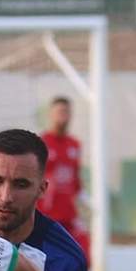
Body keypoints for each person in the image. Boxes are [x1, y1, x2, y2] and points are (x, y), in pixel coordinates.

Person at [38, 96, 90, 260]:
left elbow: (75, 178)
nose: (63, 116)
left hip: (69, 214)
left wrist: (85, 199)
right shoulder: (41, 143)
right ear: (50, 114)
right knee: (47, 259)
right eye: (60, 112)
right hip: (46, 214)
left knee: (84, 254)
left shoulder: (74, 145)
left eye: (66, 112)